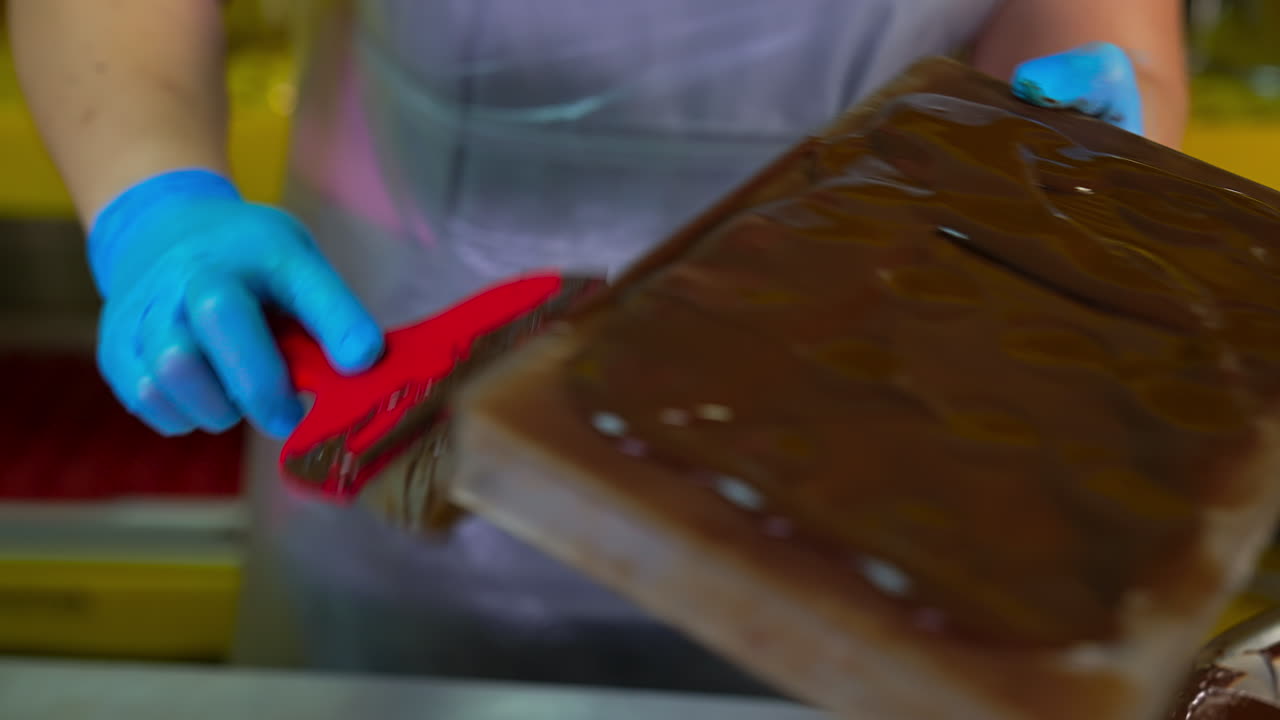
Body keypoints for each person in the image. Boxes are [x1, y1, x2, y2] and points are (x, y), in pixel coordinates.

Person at [7, 0, 1188, 691]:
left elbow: (1094, 20)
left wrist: (1081, 132)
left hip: (872, 409)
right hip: (415, 380)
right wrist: (153, 202)